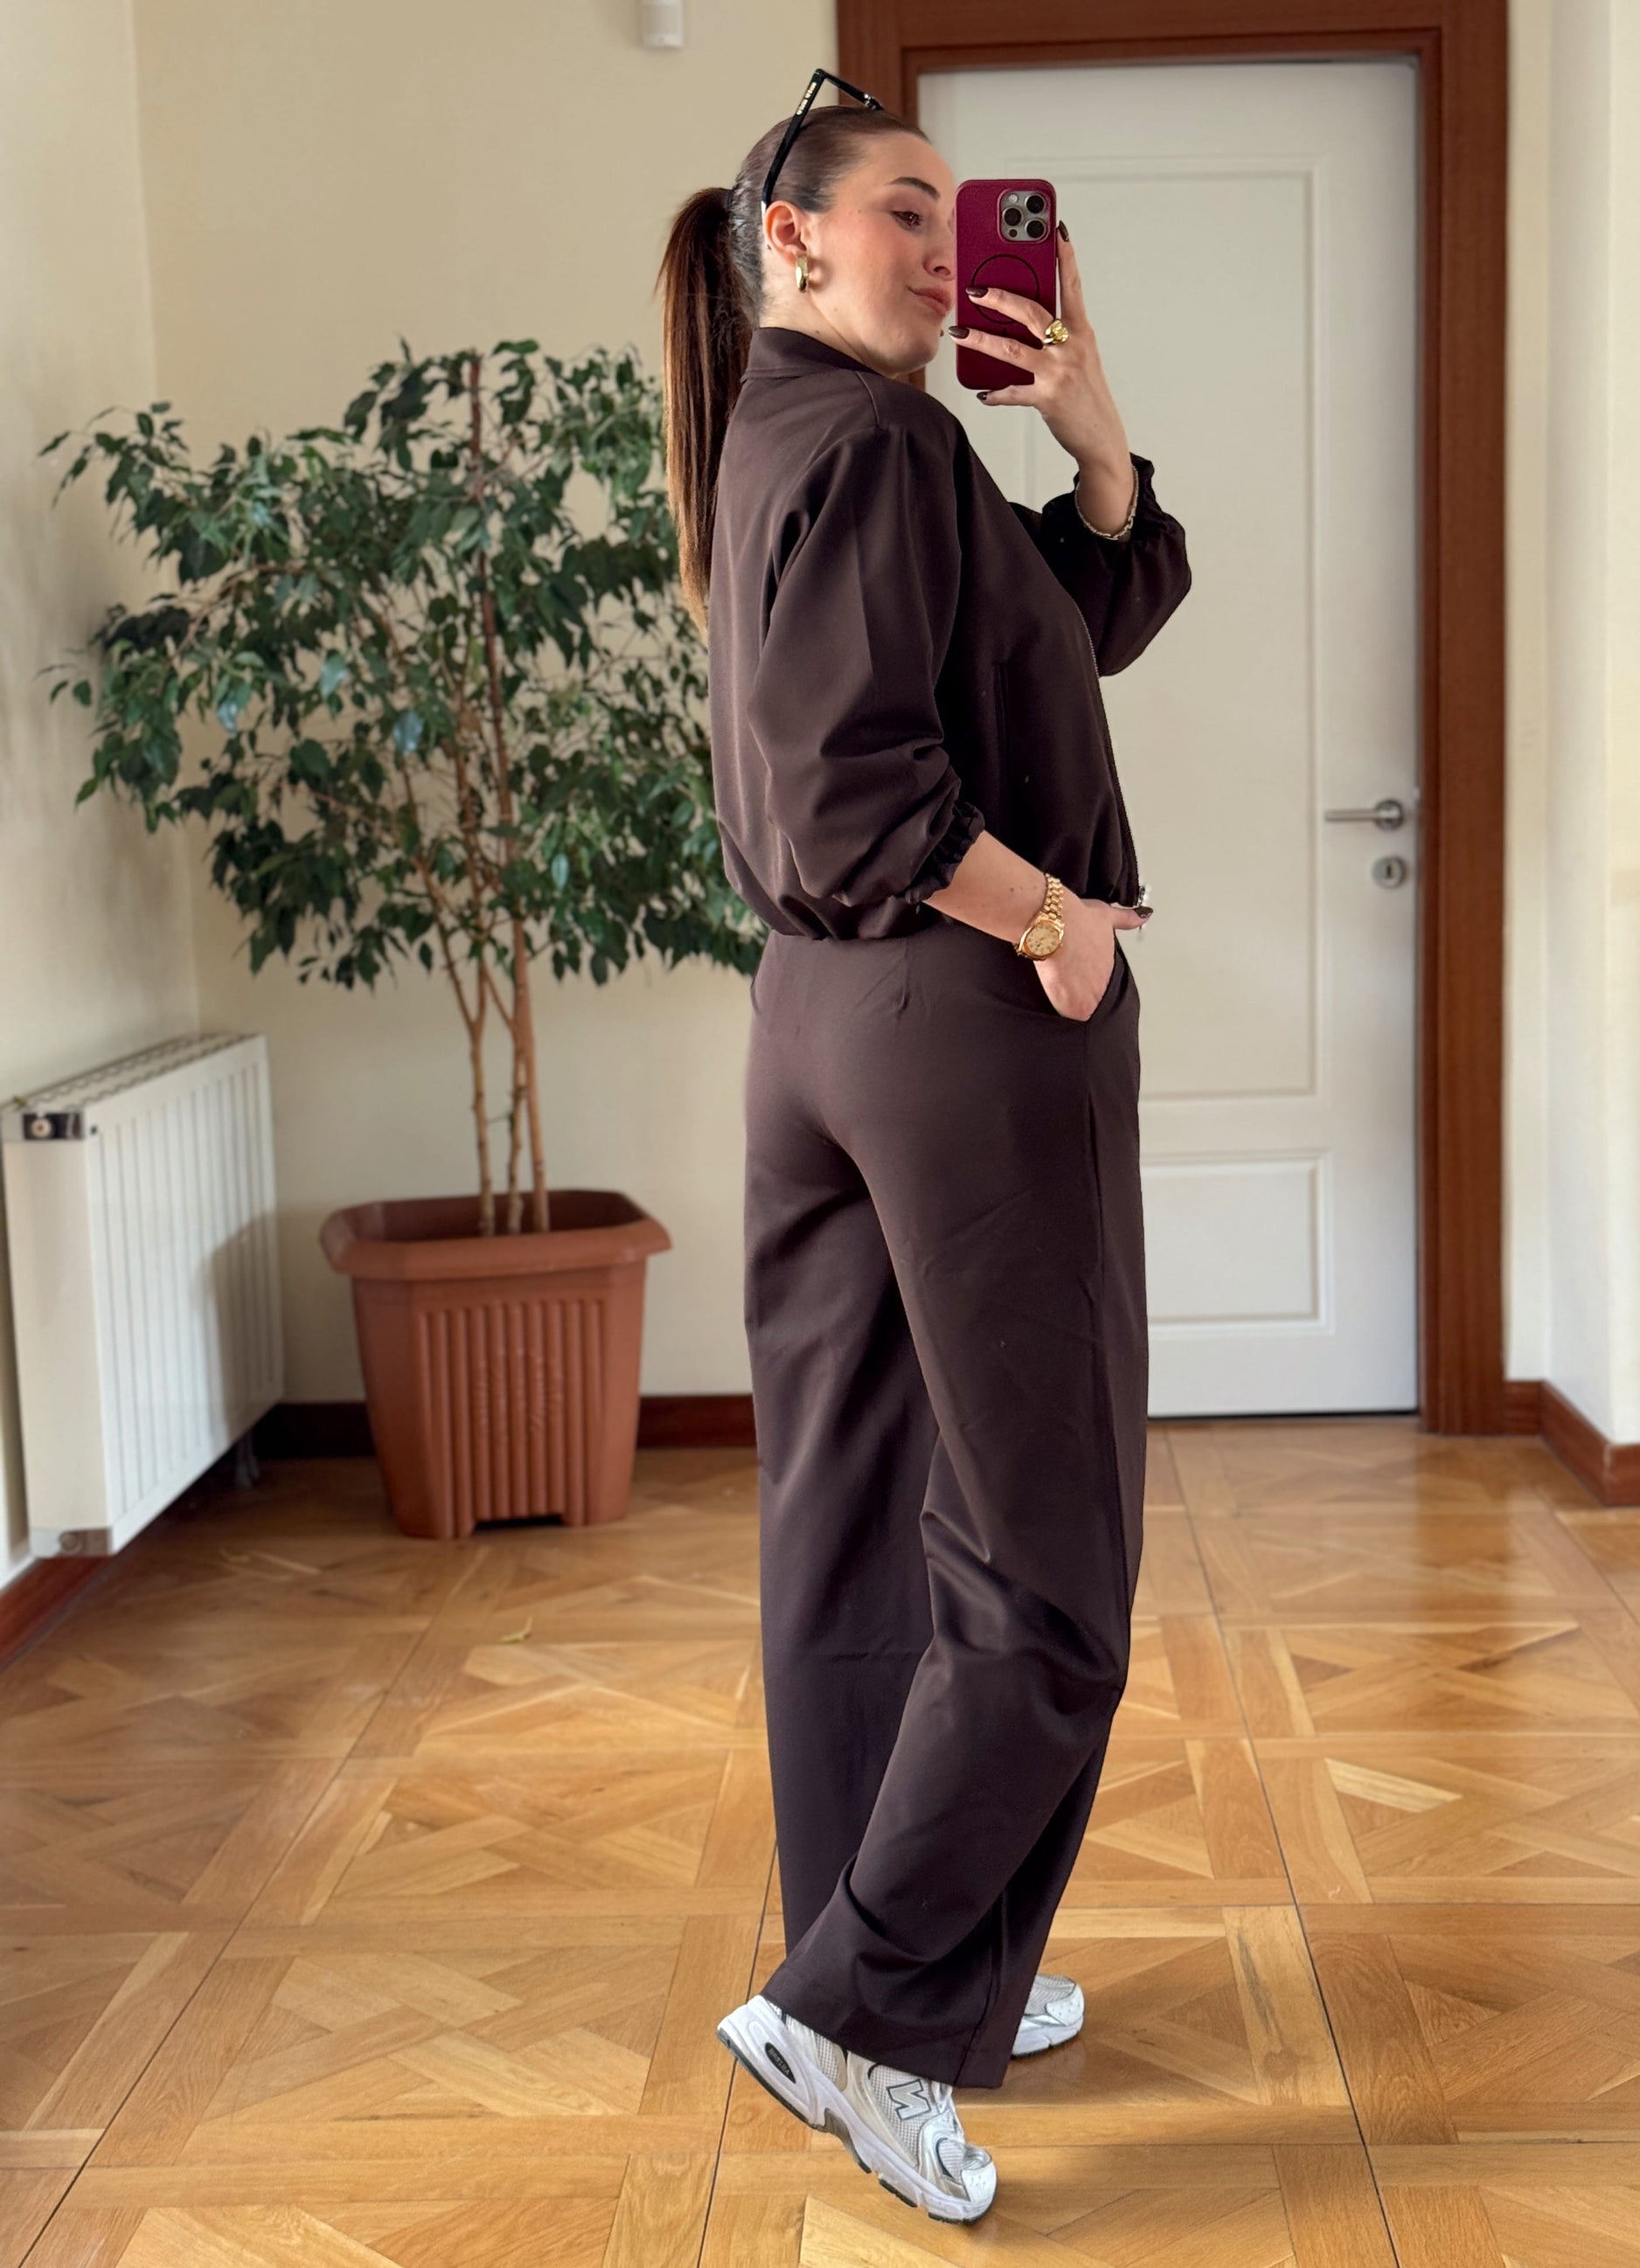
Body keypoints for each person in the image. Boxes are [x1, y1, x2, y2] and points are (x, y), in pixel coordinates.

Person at [655, 72, 1192, 2225]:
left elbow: (1064, 636)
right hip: (958, 1021)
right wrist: (1055, 925)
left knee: (860, 1522)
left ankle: (908, 1955)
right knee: (1049, 1557)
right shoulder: (874, 443)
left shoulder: (799, 432)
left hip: (821, 1024)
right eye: (902, 209)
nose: (944, 248)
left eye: (957, 218)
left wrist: (1094, 443)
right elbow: (860, 788)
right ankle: (863, 2007)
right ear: (788, 239)